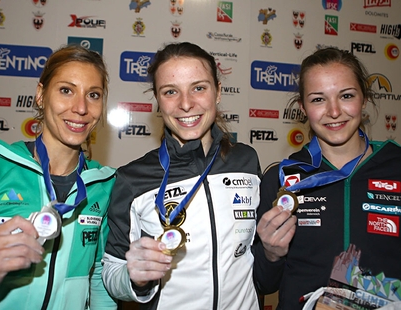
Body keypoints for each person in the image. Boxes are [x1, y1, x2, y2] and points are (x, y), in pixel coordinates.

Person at [102, 42, 262, 309]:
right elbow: (111, 272)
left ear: (218, 92)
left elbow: (254, 256)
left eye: (199, 88)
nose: (186, 104)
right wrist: (136, 278)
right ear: (157, 100)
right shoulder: (133, 180)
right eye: (170, 92)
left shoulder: (246, 161)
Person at [0, 44, 118, 309]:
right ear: (40, 95)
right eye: (66, 90)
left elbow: (98, 279)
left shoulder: (104, 186)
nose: (81, 107)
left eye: (93, 94)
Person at [255, 47, 401, 309]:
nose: (334, 111)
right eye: (318, 99)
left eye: (346, 95)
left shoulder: (396, 166)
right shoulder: (283, 179)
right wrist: (271, 253)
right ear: (302, 107)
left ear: (364, 98)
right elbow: (264, 284)